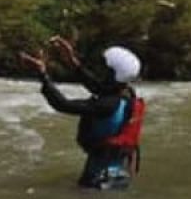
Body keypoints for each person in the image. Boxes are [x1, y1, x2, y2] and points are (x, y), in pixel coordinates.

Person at [20, 37, 145, 190]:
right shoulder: (126, 94)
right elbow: (97, 86)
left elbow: (62, 104)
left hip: (98, 179)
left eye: (105, 69)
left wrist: (43, 75)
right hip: (117, 174)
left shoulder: (106, 104)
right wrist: (71, 60)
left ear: (113, 75)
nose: (101, 71)